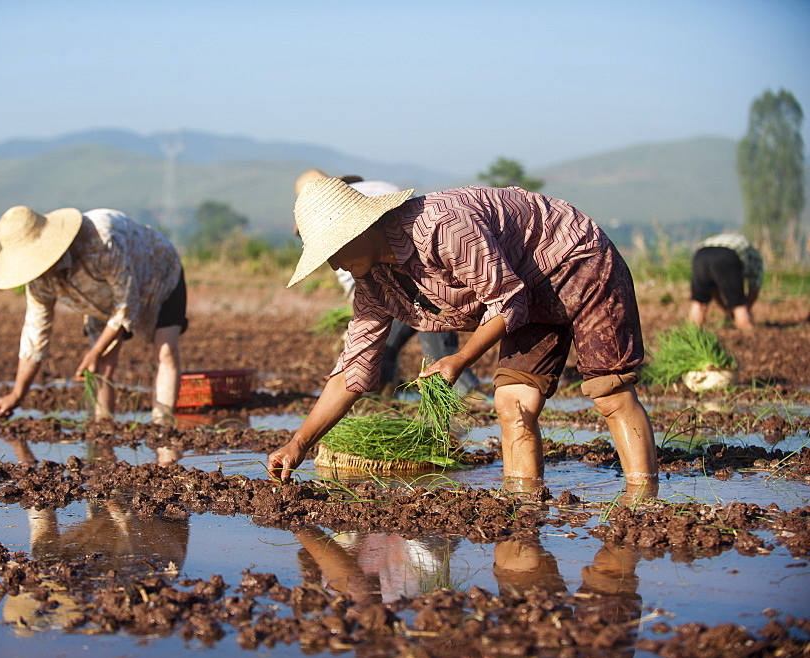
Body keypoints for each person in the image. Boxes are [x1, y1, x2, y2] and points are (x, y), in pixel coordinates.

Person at [268, 178, 658, 493]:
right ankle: (524, 505)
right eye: (327, 256)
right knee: (512, 403)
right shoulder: (373, 280)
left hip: (574, 261)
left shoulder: (440, 226)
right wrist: (298, 443)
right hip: (522, 287)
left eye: (336, 247)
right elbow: (354, 366)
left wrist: (459, 359)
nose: (335, 262)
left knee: (610, 392)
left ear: (366, 226)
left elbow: (506, 301)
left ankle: (642, 501)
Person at [0, 205, 187, 424]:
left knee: (165, 351)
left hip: (159, 272)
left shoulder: (100, 241)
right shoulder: (39, 281)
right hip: (100, 298)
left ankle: (163, 424)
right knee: (100, 367)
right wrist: (17, 394)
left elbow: (126, 304)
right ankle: (104, 429)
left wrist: (95, 350)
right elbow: (34, 336)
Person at [294, 169, 482, 397]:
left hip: (418, 274)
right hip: (418, 271)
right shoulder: (376, 190)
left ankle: (467, 394)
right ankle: (387, 390)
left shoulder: (342, 228)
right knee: (407, 334)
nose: (333, 264)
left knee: (428, 337)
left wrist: (359, 324)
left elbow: (357, 272)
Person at [688, 231, 763, 332]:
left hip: (701, 255)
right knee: (739, 305)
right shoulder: (754, 255)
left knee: (699, 303)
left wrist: (727, 309)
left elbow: (713, 289)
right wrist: (745, 307)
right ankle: (749, 335)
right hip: (727, 256)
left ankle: (692, 335)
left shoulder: (717, 241)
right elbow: (754, 287)